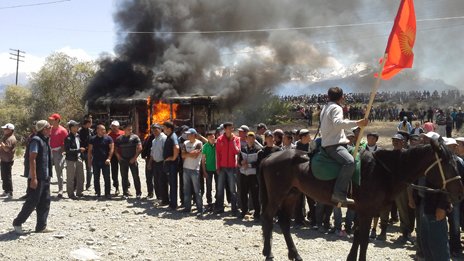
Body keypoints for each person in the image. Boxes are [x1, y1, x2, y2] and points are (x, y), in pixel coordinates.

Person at [320, 87, 367, 205]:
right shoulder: (336, 108)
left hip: (331, 142)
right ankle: (339, 193)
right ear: (341, 97)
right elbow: (337, 123)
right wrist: (357, 123)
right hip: (334, 145)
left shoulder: (325, 108)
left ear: (328, 96)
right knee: (349, 162)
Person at [13, 120, 53, 234]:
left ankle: (41, 226)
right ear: (44, 129)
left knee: (45, 201)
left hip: (45, 176)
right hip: (37, 177)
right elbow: (32, 158)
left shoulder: (45, 140)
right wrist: (34, 178)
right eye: (49, 127)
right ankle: (17, 222)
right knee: (32, 201)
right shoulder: (36, 140)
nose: (50, 129)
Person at [215, 122, 240, 214]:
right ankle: (219, 208)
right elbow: (217, 155)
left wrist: (233, 142)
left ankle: (234, 209)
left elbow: (237, 152)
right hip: (222, 167)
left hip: (232, 167)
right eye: (228, 128)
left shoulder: (236, 139)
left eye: (231, 128)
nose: (230, 130)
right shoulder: (219, 139)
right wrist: (217, 167)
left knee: (233, 189)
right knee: (220, 188)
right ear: (224, 129)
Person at [115, 124, 142, 199]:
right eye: (128, 129)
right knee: (124, 177)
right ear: (124, 130)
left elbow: (139, 148)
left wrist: (134, 158)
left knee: (136, 176)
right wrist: (119, 157)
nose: (130, 131)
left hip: (132, 160)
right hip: (123, 160)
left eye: (131, 129)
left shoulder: (135, 137)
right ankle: (125, 192)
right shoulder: (119, 139)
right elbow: (115, 149)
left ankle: (138, 193)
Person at [181, 128, 204, 216]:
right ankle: (187, 208)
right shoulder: (185, 143)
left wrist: (187, 153)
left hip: (195, 169)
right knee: (186, 190)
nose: (188, 136)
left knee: (197, 190)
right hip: (186, 168)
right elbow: (182, 155)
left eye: (189, 134)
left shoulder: (198, 143)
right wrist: (190, 153)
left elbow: (195, 155)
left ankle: (200, 208)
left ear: (194, 135)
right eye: (187, 134)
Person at [238, 132, 260, 221]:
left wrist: (249, 165)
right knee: (243, 194)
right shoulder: (242, 149)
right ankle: (244, 212)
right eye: (248, 138)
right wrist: (241, 163)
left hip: (253, 176)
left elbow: (259, 163)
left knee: (255, 195)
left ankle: (257, 214)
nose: (250, 140)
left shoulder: (258, 150)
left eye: (252, 138)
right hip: (243, 174)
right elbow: (239, 160)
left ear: (254, 139)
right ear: (246, 139)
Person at [88, 125, 114, 198]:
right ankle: (97, 192)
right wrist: (89, 162)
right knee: (96, 177)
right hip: (95, 161)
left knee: (107, 178)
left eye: (104, 129)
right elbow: (89, 151)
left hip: (105, 161)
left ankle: (107, 193)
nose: (104, 131)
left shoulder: (108, 138)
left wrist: (109, 158)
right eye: (102, 129)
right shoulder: (92, 139)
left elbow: (112, 149)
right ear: (97, 130)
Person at [48, 113, 68, 198]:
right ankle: (46, 190)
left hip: (58, 152)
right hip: (49, 151)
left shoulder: (63, 130)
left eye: (52, 120)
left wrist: (63, 152)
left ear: (57, 120)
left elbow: (66, 142)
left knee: (58, 171)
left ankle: (60, 190)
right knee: (47, 171)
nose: (50, 121)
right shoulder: (49, 129)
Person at [64, 120, 85, 199]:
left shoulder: (78, 136)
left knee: (81, 176)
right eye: (76, 126)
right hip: (71, 159)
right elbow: (68, 150)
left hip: (78, 158)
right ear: (72, 128)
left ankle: (79, 192)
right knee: (70, 177)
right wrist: (78, 150)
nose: (77, 128)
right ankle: (71, 194)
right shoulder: (68, 138)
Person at [148, 124, 167, 204]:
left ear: (160, 129)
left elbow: (166, 152)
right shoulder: (154, 140)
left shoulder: (163, 138)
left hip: (162, 163)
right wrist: (149, 163)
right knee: (156, 181)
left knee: (162, 181)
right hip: (155, 163)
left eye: (156, 130)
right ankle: (159, 197)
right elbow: (152, 153)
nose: (154, 132)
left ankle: (164, 199)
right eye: (153, 130)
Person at [163, 121, 180, 210]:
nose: (163, 130)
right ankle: (172, 203)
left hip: (172, 165)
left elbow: (176, 147)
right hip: (169, 164)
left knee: (173, 184)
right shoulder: (169, 136)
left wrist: (173, 158)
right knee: (171, 183)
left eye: (165, 128)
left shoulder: (173, 136)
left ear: (169, 129)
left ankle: (173, 205)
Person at [201, 131, 217, 211]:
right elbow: (203, 160)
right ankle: (209, 202)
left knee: (218, 186)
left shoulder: (217, 145)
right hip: (208, 169)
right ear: (207, 138)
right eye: (210, 137)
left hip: (217, 169)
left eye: (213, 136)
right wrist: (204, 171)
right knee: (209, 186)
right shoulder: (205, 147)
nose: (212, 138)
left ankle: (217, 201)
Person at [0, 123, 17, 199]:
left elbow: (7, 149)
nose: (4, 130)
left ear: (10, 130)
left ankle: (10, 192)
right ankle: (6, 190)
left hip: (8, 160)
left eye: (5, 129)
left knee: (7, 176)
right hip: (4, 159)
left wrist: (2, 145)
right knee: (4, 176)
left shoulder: (11, 139)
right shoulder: (6, 137)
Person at [108, 121, 124, 195]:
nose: (114, 128)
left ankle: (126, 187)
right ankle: (116, 187)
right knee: (114, 171)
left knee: (124, 171)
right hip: (114, 156)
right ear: (111, 126)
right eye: (113, 126)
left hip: (123, 155)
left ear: (118, 126)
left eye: (116, 126)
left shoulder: (123, 133)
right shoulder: (109, 135)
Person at [78, 119, 94, 190]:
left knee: (89, 169)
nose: (91, 124)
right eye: (90, 123)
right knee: (79, 170)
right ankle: (80, 184)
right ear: (87, 123)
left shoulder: (91, 131)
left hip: (89, 152)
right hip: (80, 152)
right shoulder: (79, 131)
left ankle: (88, 184)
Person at [142, 124, 156, 200]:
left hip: (156, 160)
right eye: (153, 129)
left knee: (157, 178)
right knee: (149, 177)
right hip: (148, 159)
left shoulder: (161, 138)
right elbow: (145, 147)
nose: (154, 131)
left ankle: (159, 195)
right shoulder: (149, 137)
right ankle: (150, 193)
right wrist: (143, 156)